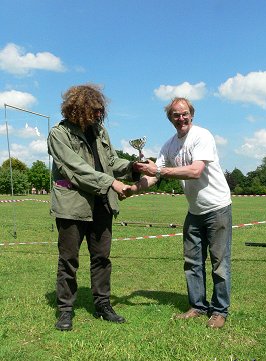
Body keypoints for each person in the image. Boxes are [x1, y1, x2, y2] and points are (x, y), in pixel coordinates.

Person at [129, 97, 232, 329]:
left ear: (192, 115)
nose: (181, 118)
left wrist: (160, 170)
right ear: (170, 119)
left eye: (184, 114)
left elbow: (195, 171)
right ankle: (197, 306)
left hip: (217, 208)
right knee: (192, 262)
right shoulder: (168, 145)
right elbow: (155, 176)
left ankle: (219, 310)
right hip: (194, 212)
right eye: (176, 115)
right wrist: (131, 189)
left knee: (219, 263)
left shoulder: (202, 136)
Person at [47, 83, 140, 331]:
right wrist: (111, 182)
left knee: (102, 258)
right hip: (71, 205)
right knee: (69, 260)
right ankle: (65, 310)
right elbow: (76, 169)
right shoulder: (59, 134)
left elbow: (110, 161)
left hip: (102, 204)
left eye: (101, 110)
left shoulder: (100, 131)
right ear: (78, 108)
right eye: (95, 110)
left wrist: (134, 167)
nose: (100, 114)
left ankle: (103, 305)